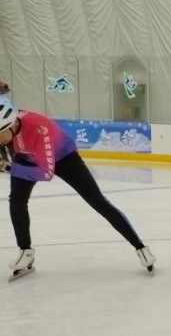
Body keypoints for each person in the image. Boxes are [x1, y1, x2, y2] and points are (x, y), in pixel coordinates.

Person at [0, 96, 154, 279]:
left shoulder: (39, 128)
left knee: (98, 202)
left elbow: (46, 173)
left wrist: (8, 167)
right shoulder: (7, 127)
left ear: (11, 125)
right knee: (17, 200)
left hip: (64, 158)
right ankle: (25, 251)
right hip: (25, 155)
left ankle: (140, 247)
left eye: (0, 134)